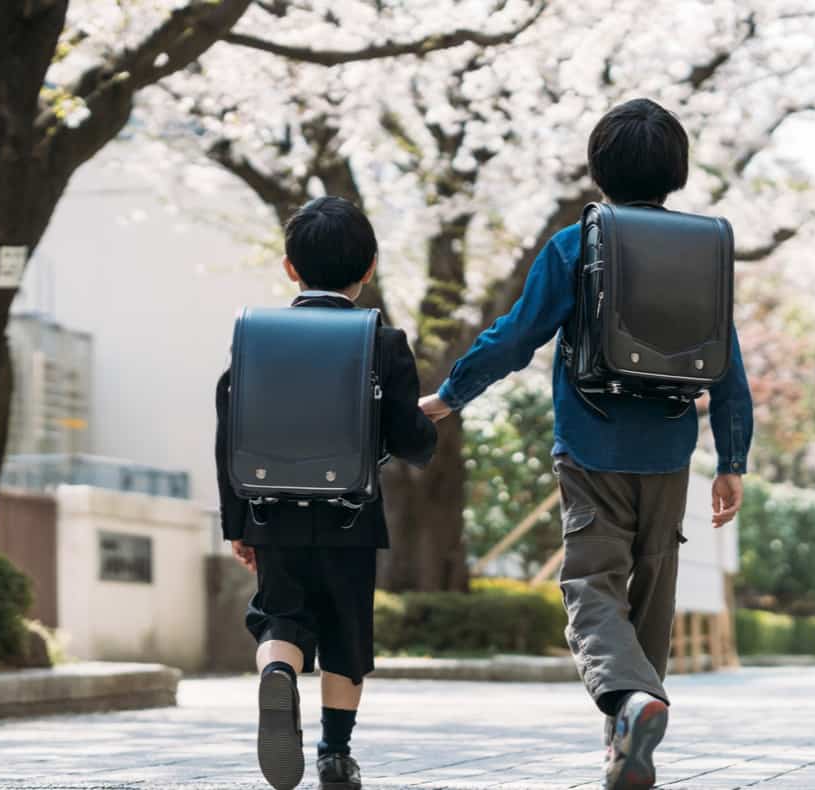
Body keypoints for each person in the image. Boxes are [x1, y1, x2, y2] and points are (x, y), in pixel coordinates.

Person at [418, 98, 754, 790]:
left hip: (590, 444)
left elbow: (515, 337)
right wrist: (732, 459)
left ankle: (630, 707)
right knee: (651, 597)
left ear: (598, 169)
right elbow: (728, 363)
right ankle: (629, 732)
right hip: (667, 450)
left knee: (591, 586)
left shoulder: (576, 244)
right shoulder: (704, 250)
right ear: (677, 172)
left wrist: (452, 394)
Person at [215, 196, 438, 790]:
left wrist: (237, 522)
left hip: (272, 512)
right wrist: (424, 428)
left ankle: (279, 671)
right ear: (368, 269)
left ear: (291, 267)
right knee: (345, 633)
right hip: (351, 518)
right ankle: (335, 754)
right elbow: (410, 440)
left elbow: (227, 427)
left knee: (280, 618)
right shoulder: (382, 343)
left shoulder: (256, 337)